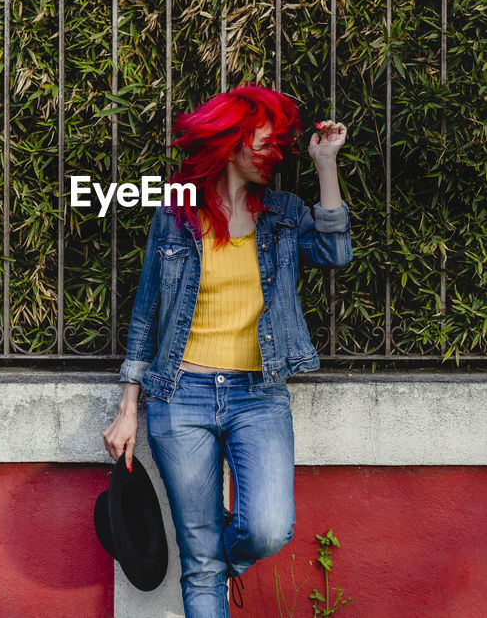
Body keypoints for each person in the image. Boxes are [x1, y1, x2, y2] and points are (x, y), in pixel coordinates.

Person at [102, 82, 353, 617]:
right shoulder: (177, 212)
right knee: (200, 568)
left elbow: (334, 252)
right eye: (264, 145)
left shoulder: (282, 213)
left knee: (266, 528)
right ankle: (209, 564)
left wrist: (325, 163)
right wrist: (127, 411)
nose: (274, 157)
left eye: (278, 148)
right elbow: (147, 311)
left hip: (258, 395)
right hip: (179, 396)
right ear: (232, 142)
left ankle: (218, 559)